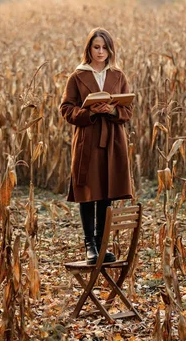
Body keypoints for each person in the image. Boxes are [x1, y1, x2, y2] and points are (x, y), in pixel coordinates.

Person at [60, 27, 133, 264]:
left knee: (106, 190)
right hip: (88, 139)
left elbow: (128, 110)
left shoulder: (118, 76)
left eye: (104, 47)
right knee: (87, 191)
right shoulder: (77, 76)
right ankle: (89, 246)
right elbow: (66, 109)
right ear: (89, 49)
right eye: (96, 47)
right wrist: (89, 111)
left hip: (113, 138)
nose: (101, 52)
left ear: (110, 49)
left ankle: (103, 245)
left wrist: (112, 109)